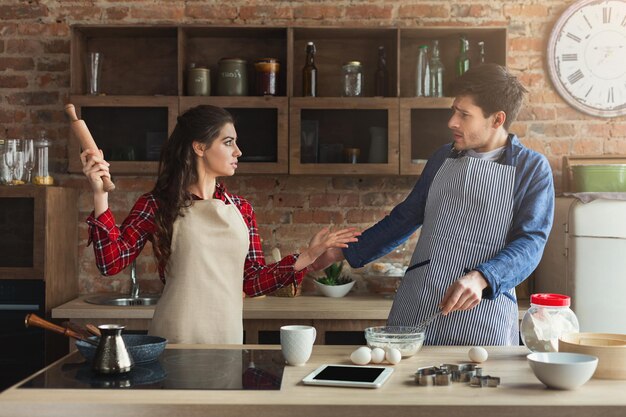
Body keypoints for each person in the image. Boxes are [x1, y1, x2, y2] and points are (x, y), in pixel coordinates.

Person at [317, 64, 554, 346]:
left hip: (482, 314)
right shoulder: (443, 157)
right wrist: (342, 252)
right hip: (418, 300)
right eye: (454, 111)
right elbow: (406, 217)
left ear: (497, 119)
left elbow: (531, 243)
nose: (452, 122)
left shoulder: (531, 169)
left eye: (464, 115)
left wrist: (482, 278)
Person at [81, 105, 359, 344]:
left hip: (227, 336)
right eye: (228, 142)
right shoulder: (156, 204)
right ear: (199, 147)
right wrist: (100, 194)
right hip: (176, 335)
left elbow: (251, 282)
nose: (238, 151)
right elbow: (111, 263)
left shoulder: (242, 209)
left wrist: (307, 258)